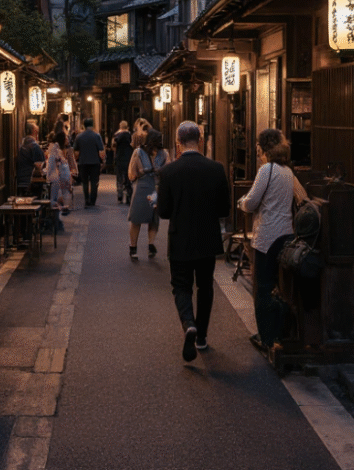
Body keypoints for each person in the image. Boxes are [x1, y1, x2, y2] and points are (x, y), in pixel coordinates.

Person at [157, 121, 231, 362]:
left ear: (178, 142)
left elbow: (164, 212)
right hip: (207, 238)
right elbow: (224, 209)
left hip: (180, 238)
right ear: (200, 140)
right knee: (205, 286)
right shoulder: (216, 169)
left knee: (181, 286)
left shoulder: (168, 172)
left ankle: (189, 323)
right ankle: (202, 336)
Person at [237, 128, 302, 355]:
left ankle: (266, 337)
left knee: (263, 288)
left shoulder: (267, 169)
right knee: (279, 286)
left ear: (262, 148)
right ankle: (278, 332)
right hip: (286, 234)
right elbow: (299, 198)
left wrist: (241, 203)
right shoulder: (287, 171)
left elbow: (252, 201)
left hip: (266, 236)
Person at [127, 128, 168, 260]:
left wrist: (137, 175)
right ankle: (151, 244)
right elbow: (168, 171)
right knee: (153, 218)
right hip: (155, 189)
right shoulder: (164, 154)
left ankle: (133, 248)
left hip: (142, 188)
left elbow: (131, 173)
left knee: (136, 218)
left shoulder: (138, 152)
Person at [73, 117, 105, 207]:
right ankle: (92, 200)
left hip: (83, 162)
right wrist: (103, 161)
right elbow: (101, 150)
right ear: (92, 125)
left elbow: (76, 151)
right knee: (94, 182)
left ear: (84, 125)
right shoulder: (96, 136)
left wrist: (77, 159)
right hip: (95, 162)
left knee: (85, 182)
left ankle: (86, 199)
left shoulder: (79, 136)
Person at [45, 131, 72, 232]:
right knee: (56, 200)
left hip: (59, 179)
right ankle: (56, 222)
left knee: (58, 200)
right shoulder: (55, 150)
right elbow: (52, 165)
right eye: (66, 138)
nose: (67, 140)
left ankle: (57, 221)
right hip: (57, 179)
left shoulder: (57, 149)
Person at [15, 121, 45, 196]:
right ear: (35, 131)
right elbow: (40, 164)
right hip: (30, 181)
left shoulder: (22, 144)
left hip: (20, 179)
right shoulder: (34, 146)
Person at [112, 120, 134, 204]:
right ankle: (128, 196)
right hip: (128, 158)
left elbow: (113, 146)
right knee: (128, 178)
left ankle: (120, 196)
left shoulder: (116, 135)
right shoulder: (130, 135)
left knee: (119, 178)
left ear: (120, 127)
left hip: (119, 158)